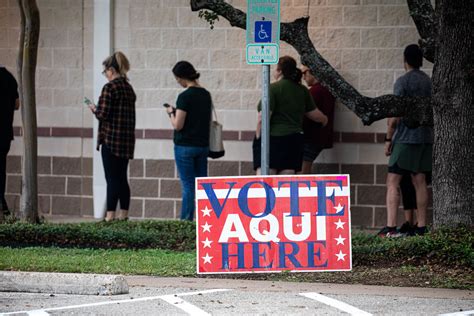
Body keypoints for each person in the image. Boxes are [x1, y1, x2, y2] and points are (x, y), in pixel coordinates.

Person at [378, 44, 433, 237]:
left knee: (392, 181)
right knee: (420, 180)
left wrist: (388, 138)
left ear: (405, 60)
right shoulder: (429, 82)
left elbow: (395, 114)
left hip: (405, 138)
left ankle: (391, 227)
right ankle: (421, 226)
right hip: (426, 138)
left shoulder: (402, 82)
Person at [253, 56, 328, 175]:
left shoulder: (272, 89)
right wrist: (325, 120)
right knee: (287, 179)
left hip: (272, 139)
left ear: (280, 71)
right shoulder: (302, 90)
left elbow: (263, 118)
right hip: (294, 140)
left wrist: (258, 137)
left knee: (267, 176)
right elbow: (314, 114)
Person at [87, 52, 136, 222]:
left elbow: (103, 114)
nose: (105, 74)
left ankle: (109, 216)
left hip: (111, 140)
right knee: (122, 178)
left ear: (112, 70)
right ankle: (124, 215)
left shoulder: (109, 88)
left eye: (105, 71)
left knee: (112, 179)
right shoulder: (129, 88)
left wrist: (94, 108)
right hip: (126, 141)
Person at [165, 61, 212, 221]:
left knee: (188, 186)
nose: (178, 82)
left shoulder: (184, 96)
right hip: (202, 146)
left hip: (185, 146)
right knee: (202, 184)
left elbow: (178, 125)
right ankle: (205, 221)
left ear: (182, 77)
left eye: (178, 79)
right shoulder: (206, 94)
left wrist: (171, 113)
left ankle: (186, 221)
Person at [300, 65, 336, 174]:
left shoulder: (315, 91)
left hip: (311, 137)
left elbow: (309, 114)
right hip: (319, 137)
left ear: (312, 72)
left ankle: (303, 190)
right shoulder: (327, 89)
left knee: (303, 172)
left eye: (304, 73)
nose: (303, 77)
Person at [0, 65, 20, 220]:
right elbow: (17, 105)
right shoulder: (9, 78)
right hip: (4, 134)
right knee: (1, 169)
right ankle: (2, 205)